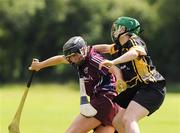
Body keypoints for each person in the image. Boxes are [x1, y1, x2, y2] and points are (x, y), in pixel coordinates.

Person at [29, 36, 124, 133]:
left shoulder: (93, 59)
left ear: (82, 50)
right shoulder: (79, 58)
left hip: (104, 100)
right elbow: (60, 59)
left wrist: (119, 81)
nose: (73, 59)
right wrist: (40, 65)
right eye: (70, 57)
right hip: (110, 104)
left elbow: (115, 69)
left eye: (74, 55)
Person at [93, 16, 166, 133]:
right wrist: (86, 49)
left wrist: (113, 62)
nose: (114, 30)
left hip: (152, 87)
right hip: (139, 89)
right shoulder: (119, 47)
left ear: (124, 30)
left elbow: (135, 53)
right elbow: (105, 48)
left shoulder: (134, 41)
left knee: (129, 118)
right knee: (117, 121)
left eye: (117, 28)